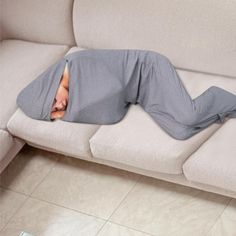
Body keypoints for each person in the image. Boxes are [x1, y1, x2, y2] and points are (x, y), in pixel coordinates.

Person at [17, 49, 236, 140]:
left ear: (49, 83)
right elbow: (110, 113)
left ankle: (219, 97)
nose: (61, 104)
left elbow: (113, 102)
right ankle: (223, 108)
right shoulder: (70, 93)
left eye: (55, 100)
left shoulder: (78, 63)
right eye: (55, 110)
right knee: (180, 132)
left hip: (150, 69)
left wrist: (71, 110)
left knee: (189, 116)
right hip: (142, 94)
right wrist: (63, 111)